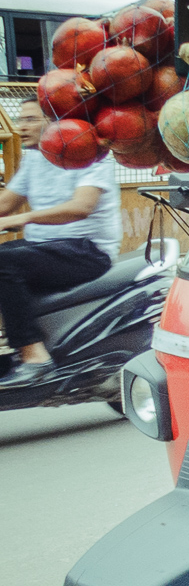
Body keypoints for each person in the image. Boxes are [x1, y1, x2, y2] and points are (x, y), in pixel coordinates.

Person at [0, 101, 122, 388]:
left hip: (87, 251)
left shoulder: (91, 156)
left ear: (55, 122)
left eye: (30, 119)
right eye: (19, 120)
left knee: (2, 262)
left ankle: (35, 357)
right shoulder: (33, 158)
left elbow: (81, 207)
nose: (21, 126)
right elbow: (5, 203)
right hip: (44, 250)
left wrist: (26, 218)